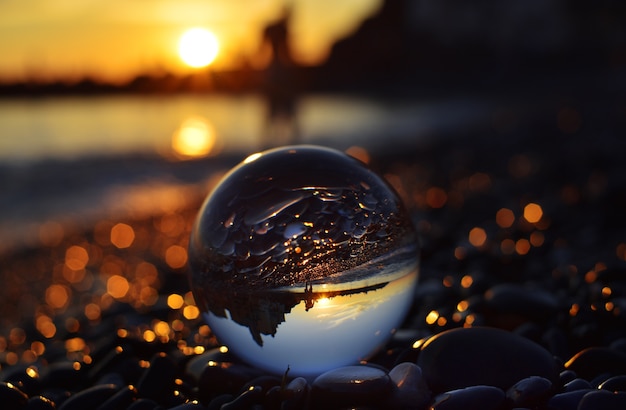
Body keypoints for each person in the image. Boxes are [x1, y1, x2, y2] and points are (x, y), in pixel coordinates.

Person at [260, 7, 299, 147]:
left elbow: (260, 51)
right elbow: (288, 53)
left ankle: (269, 147)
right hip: (280, 74)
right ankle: (292, 147)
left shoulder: (270, 28)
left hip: (273, 73)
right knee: (285, 113)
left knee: (273, 114)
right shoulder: (280, 30)